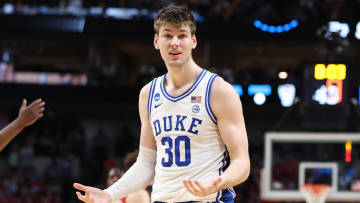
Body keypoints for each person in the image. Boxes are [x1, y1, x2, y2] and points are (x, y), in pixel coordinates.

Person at [74, 5, 250, 203]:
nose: (175, 43)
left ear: (193, 41)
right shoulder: (148, 94)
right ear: (157, 41)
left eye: (182, 35)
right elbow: (146, 163)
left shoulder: (218, 91)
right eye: (167, 35)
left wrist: (219, 182)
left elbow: (242, 162)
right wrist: (110, 194)